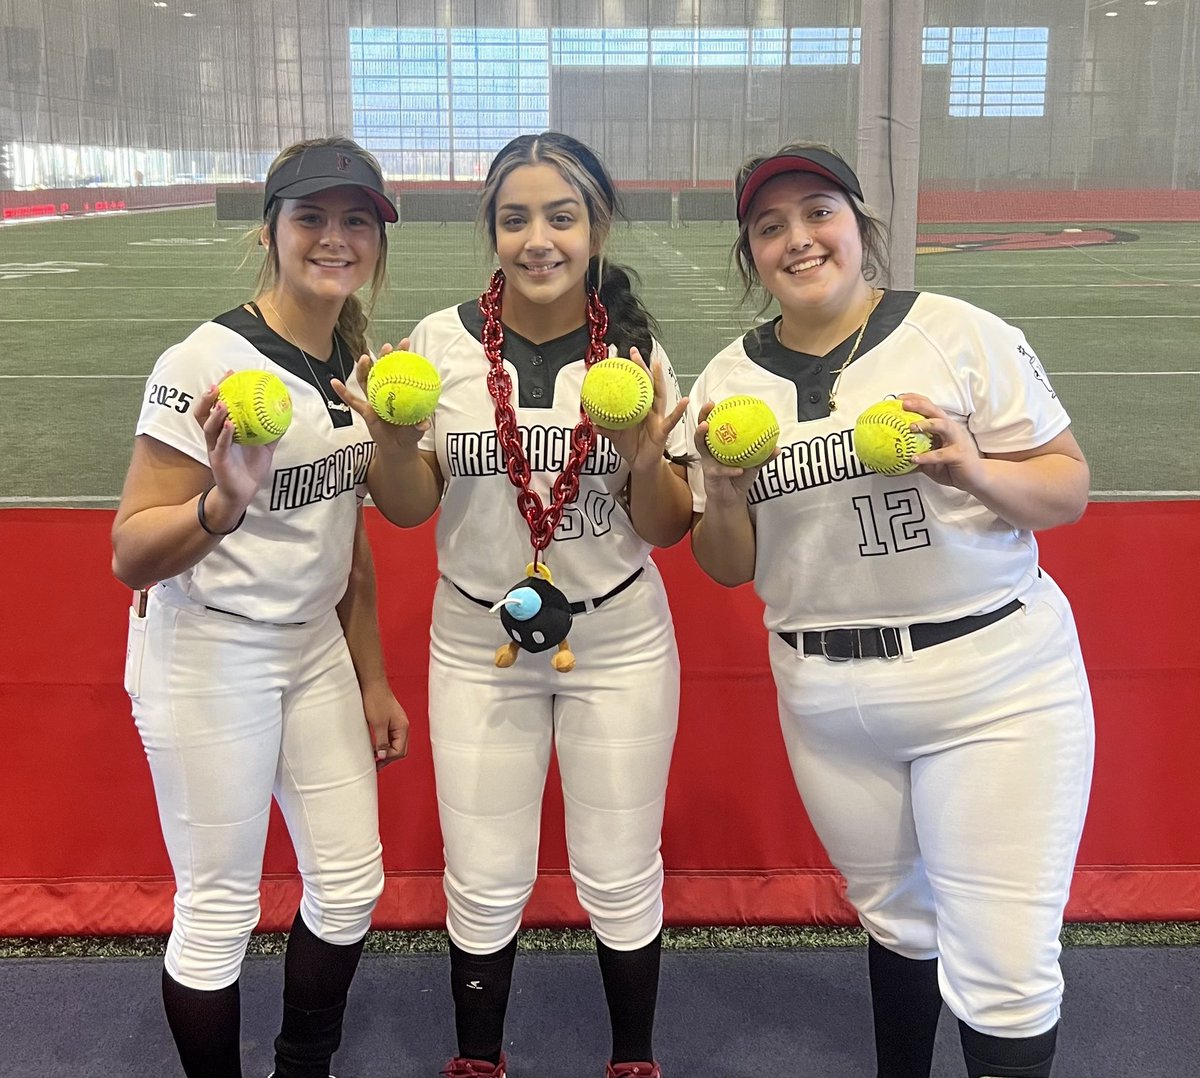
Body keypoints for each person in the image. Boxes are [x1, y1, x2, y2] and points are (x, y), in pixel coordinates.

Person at [687, 143, 1095, 1078]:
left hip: (993, 681)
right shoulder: (726, 383)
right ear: (751, 256)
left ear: (860, 227)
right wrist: (721, 487)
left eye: (818, 212)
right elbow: (723, 567)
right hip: (828, 696)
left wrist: (975, 469)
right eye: (769, 226)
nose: (798, 239)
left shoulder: (956, 331)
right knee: (898, 921)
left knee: (1003, 970)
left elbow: (1068, 488)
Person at [335, 131, 692, 1078]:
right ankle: (478, 1061)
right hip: (475, 637)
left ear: (598, 227)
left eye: (562, 217)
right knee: (485, 877)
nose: (539, 239)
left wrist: (652, 455)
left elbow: (666, 528)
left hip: (616, 637)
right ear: (490, 231)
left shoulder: (640, 352)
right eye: (515, 218)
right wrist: (393, 443)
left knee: (619, 871)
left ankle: (632, 1062)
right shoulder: (437, 347)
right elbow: (410, 510)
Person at [111, 136, 409, 1078]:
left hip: (313, 650)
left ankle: (301, 1067)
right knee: (217, 913)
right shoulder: (205, 359)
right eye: (311, 217)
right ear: (270, 231)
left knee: (352, 885)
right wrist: (222, 504)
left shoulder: (357, 356)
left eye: (356, 220)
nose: (335, 237)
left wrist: (373, 676)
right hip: (210, 649)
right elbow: (129, 552)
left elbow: (349, 539)